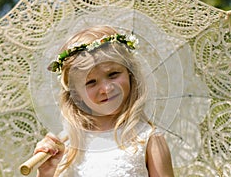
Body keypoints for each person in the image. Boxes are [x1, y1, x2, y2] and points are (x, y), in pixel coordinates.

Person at [34, 25, 175, 177]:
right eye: (91, 82)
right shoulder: (65, 144)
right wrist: (46, 173)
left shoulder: (148, 139)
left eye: (113, 74)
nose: (106, 88)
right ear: (76, 94)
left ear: (130, 73)